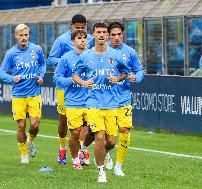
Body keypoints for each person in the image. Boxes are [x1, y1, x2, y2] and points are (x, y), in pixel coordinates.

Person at [72, 22, 130, 183]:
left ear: (107, 34)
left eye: (104, 32)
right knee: (99, 136)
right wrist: (84, 83)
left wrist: (117, 78)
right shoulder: (86, 56)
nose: (102, 35)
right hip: (93, 103)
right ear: (94, 35)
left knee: (111, 141)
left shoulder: (116, 55)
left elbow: (126, 72)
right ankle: (101, 172)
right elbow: (75, 75)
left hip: (111, 104)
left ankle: (102, 154)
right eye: (99, 32)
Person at [48, 14, 93, 165]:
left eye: (83, 28)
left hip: (85, 89)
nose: (80, 30)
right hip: (66, 88)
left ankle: (81, 151)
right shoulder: (62, 40)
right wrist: (67, 61)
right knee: (63, 119)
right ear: (71, 26)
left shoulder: (90, 40)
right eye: (77, 28)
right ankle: (62, 148)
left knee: (85, 123)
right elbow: (51, 59)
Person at [0, 24, 46, 164]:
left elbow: (42, 64)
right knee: (21, 127)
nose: (24, 38)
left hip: (34, 93)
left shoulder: (36, 49)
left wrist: (41, 75)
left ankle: (30, 141)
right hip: (18, 95)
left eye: (26, 35)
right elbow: (1, 72)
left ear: (28, 35)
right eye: (21, 35)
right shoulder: (11, 53)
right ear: (16, 36)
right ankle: (23, 154)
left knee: (35, 125)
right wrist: (12, 79)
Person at [107, 21, 144, 176]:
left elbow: (139, 70)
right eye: (113, 35)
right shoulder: (100, 51)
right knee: (109, 140)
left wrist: (137, 77)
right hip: (105, 99)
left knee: (125, 130)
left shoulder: (130, 52)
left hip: (123, 98)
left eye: (119, 34)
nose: (116, 37)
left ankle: (118, 166)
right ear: (108, 36)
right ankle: (104, 152)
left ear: (123, 34)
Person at [53, 30, 88, 169]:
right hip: (74, 100)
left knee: (94, 131)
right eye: (79, 38)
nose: (83, 40)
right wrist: (72, 80)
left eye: (85, 38)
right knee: (74, 132)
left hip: (91, 100)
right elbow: (57, 77)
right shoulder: (66, 58)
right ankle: (75, 160)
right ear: (73, 41)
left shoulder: (93, 56)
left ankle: (83, 149)